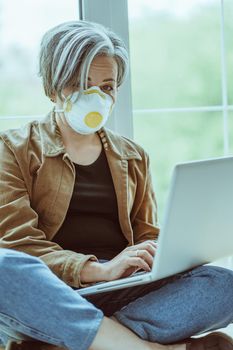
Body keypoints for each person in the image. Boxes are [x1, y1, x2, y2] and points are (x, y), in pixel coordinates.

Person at [0, 20, 233, 350]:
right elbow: (18, 245)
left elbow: (147, 237)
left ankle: (80, 340)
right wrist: (100, 270)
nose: (96, 97)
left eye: (107, 87)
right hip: (50, 292)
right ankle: (144, 346)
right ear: (53, 88)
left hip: (120, 295)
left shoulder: (134, 156)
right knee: (3, 268)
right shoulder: (11, 149)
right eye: (82, 84)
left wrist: (160, 255)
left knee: (224, 284)